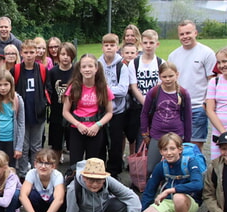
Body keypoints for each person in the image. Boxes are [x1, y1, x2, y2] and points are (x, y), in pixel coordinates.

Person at [138, 133, 203, 212]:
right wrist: (143, 211)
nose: (169, 153)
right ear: (161, 152)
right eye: (165, 149)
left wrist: (171, 190)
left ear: (180, 149)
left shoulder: (190, 162)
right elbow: (149, 191)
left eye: (172, 148)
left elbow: (198, 184)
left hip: (189, 201)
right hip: (168, 201)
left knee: (178, 198)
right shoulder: (161, 166)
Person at [168, 20, 216, 151]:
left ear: (195, 33)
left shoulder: (206, 53)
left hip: (197, 107)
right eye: (181, 34)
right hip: (178, 107)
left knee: (195, 145)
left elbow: (212, 81)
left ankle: (195, 170)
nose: (185, 36)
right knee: (176, 144)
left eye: (188, 33)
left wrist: (207, 103)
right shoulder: (173, 55)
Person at [140, 62, 192, 177]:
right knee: (150, 168)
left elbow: (188, 117)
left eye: (170, 76)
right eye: (164, 77)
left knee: (175, 166)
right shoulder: (154, 92)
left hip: (176, 134)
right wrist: (145, 133)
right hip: (157, 134)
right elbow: (144, 113)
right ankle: (151, 190)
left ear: (177, 75)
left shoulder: (183, 93)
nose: (168, 79)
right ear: (159, 76)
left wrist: (187, 140)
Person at [62, 54, 113, 167]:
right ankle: (74, 183)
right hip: (77, 129)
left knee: (93, 164)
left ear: (96, 68)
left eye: (90, 66)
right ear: (80, 69)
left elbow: (109, 112)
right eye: (84, 67)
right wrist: (78, 124)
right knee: (75, 163)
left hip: (94, 129)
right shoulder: (74, 87)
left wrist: (98, 125)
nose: (87, 69)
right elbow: (65, 112)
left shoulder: (103, 88)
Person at [11, 39, 48, 179]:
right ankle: (22, 174)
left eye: (32, 52)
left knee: (36, 146)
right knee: (23, 147)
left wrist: (43, 104)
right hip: (22, 114)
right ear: (21, 53)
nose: (29, 55)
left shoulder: (42, 70)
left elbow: (47, 89)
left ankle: (36, 173)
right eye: (26, 52)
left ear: (36, 53)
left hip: (37, 114)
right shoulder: (16, 69)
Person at [127, 29, 164, 154]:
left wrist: (151, 104)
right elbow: (133, 86)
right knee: (140, 137)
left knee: (156, 137)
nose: (148, 46)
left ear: (157, 44)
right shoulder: (134, 63)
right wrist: (145, 103)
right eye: (146, 43)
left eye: (151, 43)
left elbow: (160, 85)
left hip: (156, 107)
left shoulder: (161, 63)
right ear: (141, 44)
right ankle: (139, 167)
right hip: (139, 106)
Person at [98, 33, 130, 178]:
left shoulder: (122, 66)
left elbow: (123, 90)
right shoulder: (97, 64)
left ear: (117, 47)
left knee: (116, 143)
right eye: (106, 45)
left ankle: (114, 171)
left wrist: (104, 90)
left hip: (118, 111)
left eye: (112, 45)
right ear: (102, 47)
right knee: (99, 142)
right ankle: (99, 168)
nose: (109, 48)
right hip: (99, 110)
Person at [19, 148, 66, 212]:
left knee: (63, 196)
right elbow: (22, 196)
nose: (43, 166)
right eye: (40, 162)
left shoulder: (57, 175)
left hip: (52, 205)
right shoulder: (31, 173)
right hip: (40, 205)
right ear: (35, 164)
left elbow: (59, 200)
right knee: (31, 195)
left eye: (47, 163)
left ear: (53, 166)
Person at [46, 42, 76, 164]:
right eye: (63, 54)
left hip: (73, 113)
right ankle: (55, 167)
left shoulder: (76, 71)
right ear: (58, 55)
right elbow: (49, 90)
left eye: (68, 55)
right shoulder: (53, 72)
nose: (65, 57)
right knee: (56, 144)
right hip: (56, 112)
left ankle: (74, 169)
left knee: (73, 144)